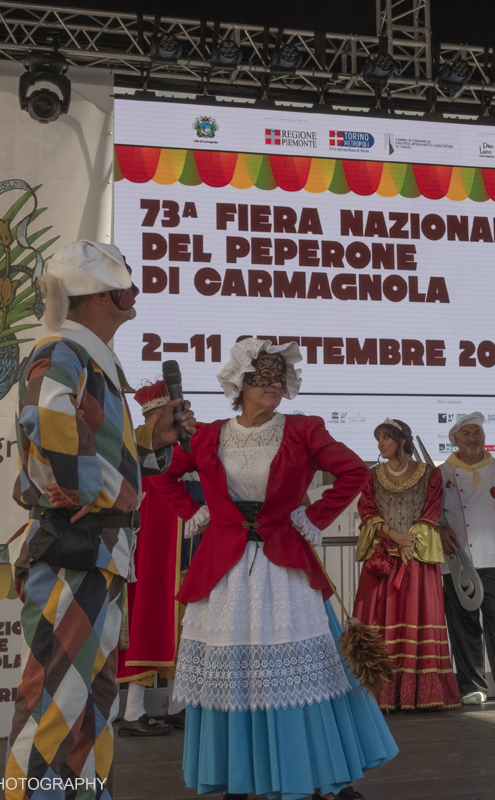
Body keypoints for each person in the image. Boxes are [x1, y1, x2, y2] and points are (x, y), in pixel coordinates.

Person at [152, 338, 397, 800]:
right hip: (224, 570)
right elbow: (161, 474)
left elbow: (353, 472)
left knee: (298, 674)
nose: (273, 384)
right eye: (262, 376)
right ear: (239, 383)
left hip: (282, 566)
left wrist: (312, 515)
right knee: (235, 675)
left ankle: (320, 777)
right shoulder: (207, 435)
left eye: (278, 376)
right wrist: (194, 513)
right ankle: (238, 778)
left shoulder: (303, 429)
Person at [5, 241, 195, 800]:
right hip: (77, 545)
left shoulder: (82, 354)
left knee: (87, 695)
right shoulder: (64, 349)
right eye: (128, 286)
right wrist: (97, 489)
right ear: (106, 294)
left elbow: (77, 444)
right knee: (60, 696)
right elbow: (46, 425)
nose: (134, 295)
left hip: (92, 547)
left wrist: (143, 445)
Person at [353, 419, 461, 711]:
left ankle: (422, 694)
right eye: (379, 439)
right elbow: (367, 511)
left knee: (417, 616)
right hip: (383, 556)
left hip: (415, 557)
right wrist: (394, 538)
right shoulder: (371, 475)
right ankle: (379, 695)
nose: (380, 444)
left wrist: (408, 542)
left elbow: (431, 511)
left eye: (386, 438)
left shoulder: (430, 474)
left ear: (402, 441)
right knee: (378, 620)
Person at [438, 412, 495, 707]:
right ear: (455, 440)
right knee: (464, 626)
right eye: (466, 434)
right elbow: (429, 514)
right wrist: (438, 530)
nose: (473, 438)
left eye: (477, 433)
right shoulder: (441, 474)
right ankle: (472, 686)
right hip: (456, 562)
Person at [115, 380, 192, 737]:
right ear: (158, 415)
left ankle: (177, 704)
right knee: (146, 619)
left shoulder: (178, 451)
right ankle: (132, 711)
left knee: (179, 626)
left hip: (180, 553)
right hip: (146, 555)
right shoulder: (135, 450)